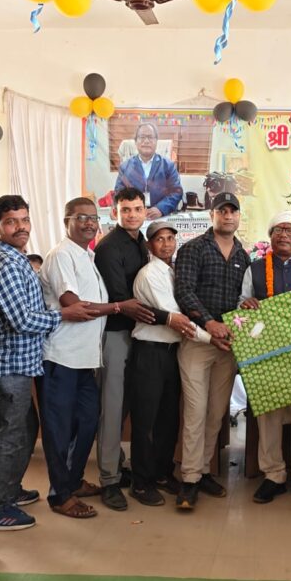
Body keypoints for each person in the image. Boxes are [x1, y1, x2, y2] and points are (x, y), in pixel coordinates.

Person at [0, 195, 91, 531]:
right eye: (11, 222)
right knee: (10, 433)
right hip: (10, 361)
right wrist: (64, 314)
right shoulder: (5, 262)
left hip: (23, 360)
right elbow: (21, 319)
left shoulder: (16, 257)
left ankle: (9, 489)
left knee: (25, 428)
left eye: (25, 220)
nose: (21, 227)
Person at [38, 198, 118, 518]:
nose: (89, 223)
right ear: (66, 221)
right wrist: (118, 307)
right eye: (81, 217)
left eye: (93, 218)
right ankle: (60, 495)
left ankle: (73, 481)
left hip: (85, 360)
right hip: (61, 358)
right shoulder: (61, 255)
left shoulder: (88, 256)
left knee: (86, 422)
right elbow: (74, 305)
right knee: (60, 430)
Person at [238, 211, 291, 507]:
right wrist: (246, 305)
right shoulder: (254, 269)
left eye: (289, 230)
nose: (283, 235)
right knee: (269, 415)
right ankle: (273, 474)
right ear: (270, 236)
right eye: (278, 230)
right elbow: (241, 304)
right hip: (266, 353)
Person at [174, 192, 250, 509]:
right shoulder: (193, 249)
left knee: (216, 413)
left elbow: (245, 298)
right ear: (212, 215)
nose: (228, 216)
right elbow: (184, 292)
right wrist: (209, 323)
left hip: (228, 346)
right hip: (197, 341)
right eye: (222, 210)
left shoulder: (244, 255)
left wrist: (248, 307)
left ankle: (203, 470)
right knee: (195, 411)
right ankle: (189, 479)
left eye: (233, 211)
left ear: (238, 216)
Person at [127, 220, 208, 506]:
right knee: (146, 421)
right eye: (159, 239)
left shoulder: (173, 272)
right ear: (150, 245)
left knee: (168, 419)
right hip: (149, 353)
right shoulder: (150, 274)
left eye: (170, 238)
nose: (166, 244)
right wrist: (213, 339)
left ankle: (162, 473)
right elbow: (177, 319)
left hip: (171, 353)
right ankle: (141, 482)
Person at [92, 187, 159, 511]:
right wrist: (165, 315)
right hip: (116, 334)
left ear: (145, 211)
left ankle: (118, 465)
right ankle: (109, 479)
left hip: (140, 334)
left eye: (137, 209)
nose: (132, 215)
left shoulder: (143, 243)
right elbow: (122, 298)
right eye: (126, 210)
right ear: (115, 213)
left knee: (129, 406)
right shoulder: (108, 247)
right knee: (112, 408)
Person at [113, 122, 183, 219]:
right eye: (142, 137)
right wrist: (122, 209)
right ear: (136, 141)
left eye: (150, 137)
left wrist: (161, 209)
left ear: (156, 141)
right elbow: (119, 193)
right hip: (133, 217)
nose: (146, 141)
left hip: (161, 218)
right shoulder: (125, 167)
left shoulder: (168, 166)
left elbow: (176, 192)